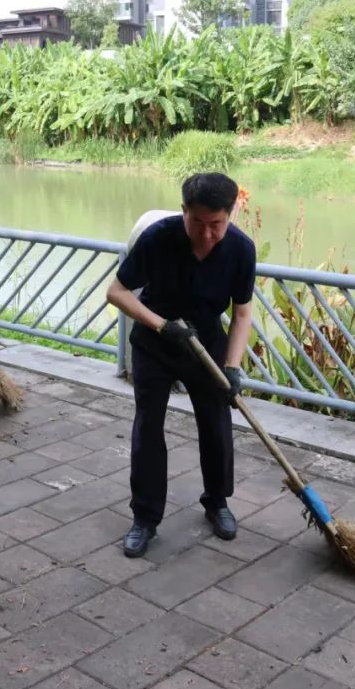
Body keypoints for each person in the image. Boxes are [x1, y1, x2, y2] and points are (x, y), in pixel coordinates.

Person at [105, 173, 256, 558]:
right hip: (156, 344)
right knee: (148, 428)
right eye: (197, 223)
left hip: (207, 347)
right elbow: (117, 292)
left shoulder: (240, 249)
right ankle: (145, 518)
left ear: (231, 214)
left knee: (217, 424)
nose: (207, 234)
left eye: (216, 225)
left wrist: (233, 367)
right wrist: (160, 325)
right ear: (184, 210)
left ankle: (217, 502)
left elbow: (241, 314)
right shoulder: (158, 237)